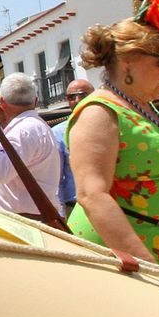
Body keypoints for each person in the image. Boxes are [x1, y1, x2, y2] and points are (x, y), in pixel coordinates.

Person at [66, 16, 159, 275]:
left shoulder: (144, 107)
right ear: (128, 62)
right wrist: (148, 267)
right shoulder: (99, 112)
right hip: (128, 269)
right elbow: (92, 195)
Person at [0, 73, 62, 220]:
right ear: (35, 101)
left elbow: (2, 171)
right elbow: (12, 171)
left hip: (24, 221)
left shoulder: (24, 130)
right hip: (22, 218)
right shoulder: (29, 128)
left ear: (2, 103)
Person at [53, 78, 94, 215]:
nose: (77, 100)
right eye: (71, 97)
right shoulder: (58, 133)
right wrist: (61, 214)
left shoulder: (112, 126)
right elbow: (56, 178)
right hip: (76, 207)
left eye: (83, 95)